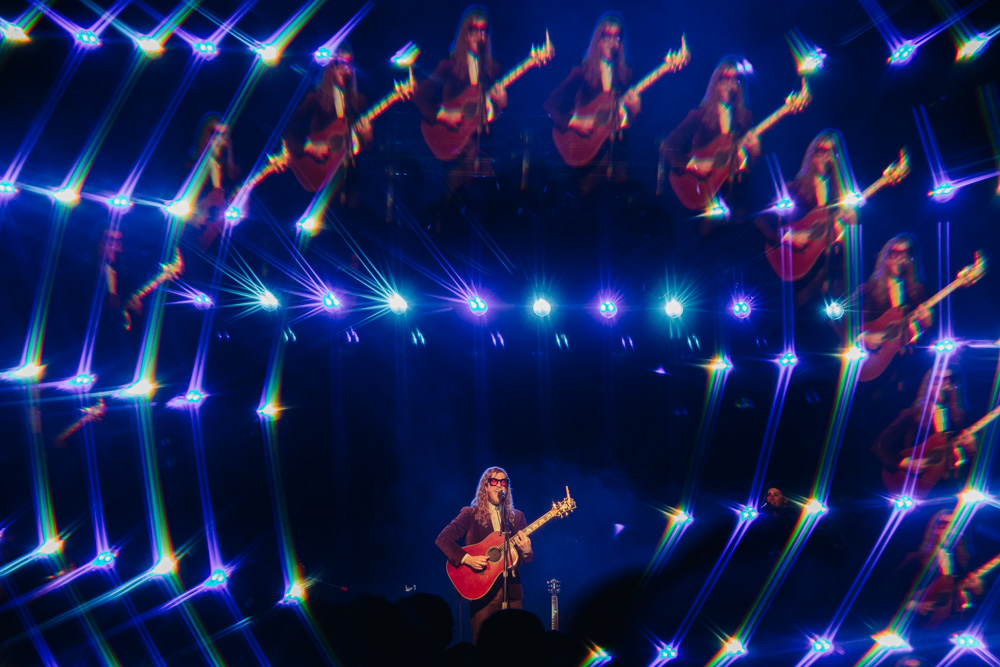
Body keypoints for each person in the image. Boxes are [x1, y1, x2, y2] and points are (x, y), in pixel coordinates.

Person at [244, 43, 372, 207]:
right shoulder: (315, 98)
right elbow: (288, 129)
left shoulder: (357, 102)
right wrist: (309, 145)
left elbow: (364, 146)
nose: (344, 69)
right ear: (330, 66)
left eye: (348, 64)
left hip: (347, 182)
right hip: (315, 180)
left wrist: (367, 135)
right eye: (339, 63)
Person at [756, 131, 857, 303]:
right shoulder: (793, 189)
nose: (826, 156)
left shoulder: (840, 202)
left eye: (832, 151)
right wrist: (785, 236)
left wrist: (847, 227)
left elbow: (843, 251)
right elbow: (761, 220)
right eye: (820, 150)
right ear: (812, 153)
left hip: (815, 283)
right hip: (779, 269)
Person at [414, 6, 506, 190]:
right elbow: (420, 95)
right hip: (453, 146)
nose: (479, 35)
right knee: (453, 194)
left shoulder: (493, 69)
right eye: (474, 30)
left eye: (483, 30)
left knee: (482, 197)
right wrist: (443, 114)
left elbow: (493, 113)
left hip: (483, 148)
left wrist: (501, 104)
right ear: (465, 34)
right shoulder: (449, 65)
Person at [436, 466, 532, 643]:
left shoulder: (517, 517)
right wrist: (468, 559)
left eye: (503, 482)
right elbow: (443, 539)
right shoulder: (470, 514)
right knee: (485, 648)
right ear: (485, 487)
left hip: (511, 592)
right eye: (493, 481)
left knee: (517, 648)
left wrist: (527, 551)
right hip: (482, 592)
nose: (498, 486)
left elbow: (523, 557)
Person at [545, 13, 639, 193]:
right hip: (586, 154)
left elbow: (629, 119)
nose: (612, 42)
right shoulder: (581, 72)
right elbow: (551, 104)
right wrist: (575, 121)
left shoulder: (625, 75)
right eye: (607, 37)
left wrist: (633, 110)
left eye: (617, 37)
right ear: (598, 40)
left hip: (616, 154)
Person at [662, 57, 760, 213]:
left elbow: (751, 163)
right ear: (716, 82)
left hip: (732, 195)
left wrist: (754, 151)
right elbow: (668, 146)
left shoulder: (745, 118)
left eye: (735, 79)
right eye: (725, 78)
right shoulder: (699, 115)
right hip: (700, 191)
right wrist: (695, 164)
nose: (730, 83)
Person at [871, 364, 975, 496]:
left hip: (949, 488)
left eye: (948, 383)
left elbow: (968, 461)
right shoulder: (912, 414)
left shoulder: (961, 419)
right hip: (914, 485)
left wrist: (972, 450)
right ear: (928, 385)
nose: (943, 387)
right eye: (937, 382)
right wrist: (906, 463)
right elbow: (879, 446)